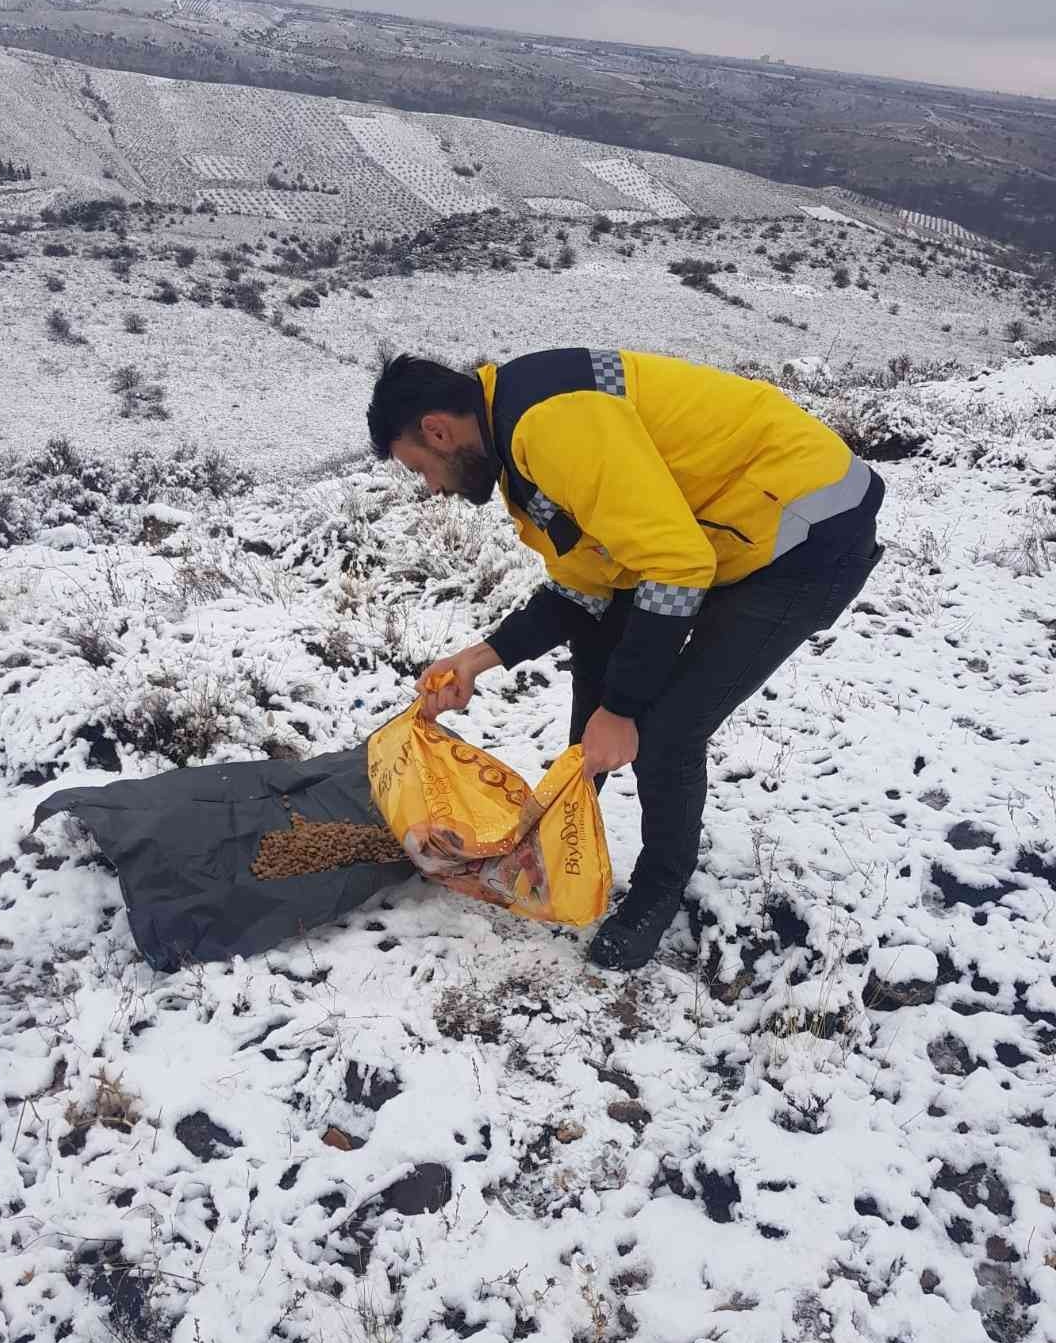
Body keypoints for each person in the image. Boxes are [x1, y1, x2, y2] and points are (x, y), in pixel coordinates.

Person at [366, 348, 885, 972]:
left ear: (437, 432)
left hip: (807, 536)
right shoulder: (516, 443)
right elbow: (587, 591)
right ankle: (555, 831)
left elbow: (676, 566)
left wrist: (622, 710)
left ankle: (658, 891)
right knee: (600, 676)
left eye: (419, 468)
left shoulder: (551, 427)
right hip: (724, 533)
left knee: (665, 731)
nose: (431, 487)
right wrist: (478, 659)